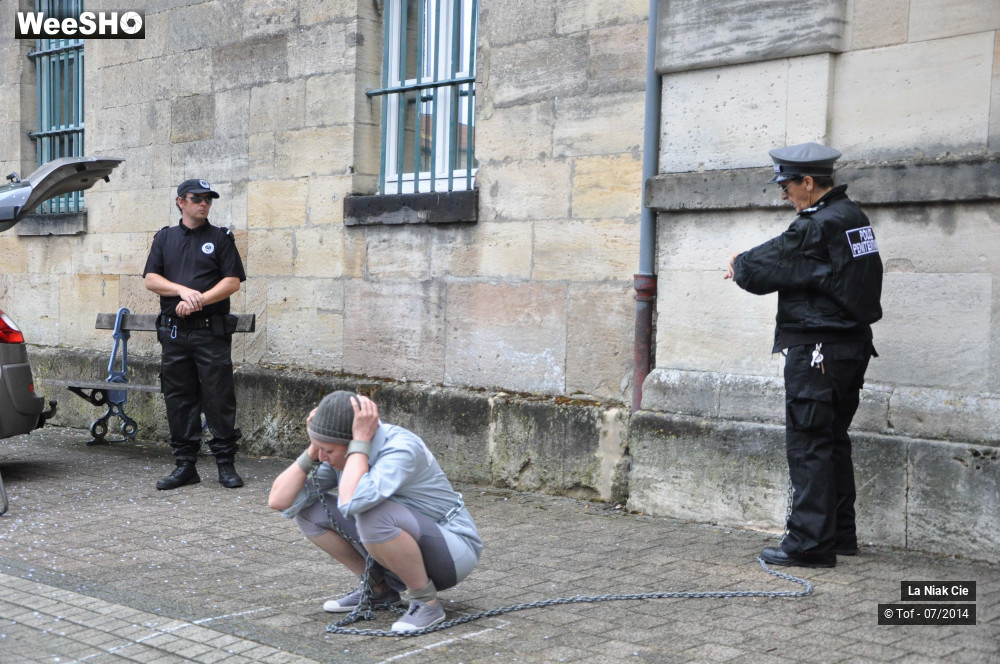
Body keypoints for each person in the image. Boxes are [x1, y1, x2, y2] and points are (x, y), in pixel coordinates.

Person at [724, 142, 883, 568]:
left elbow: (762, 268)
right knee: (832, 439)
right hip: (852, 348)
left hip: (818, 349)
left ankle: (809, 545)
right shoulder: (853, 217)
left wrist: (739, 264)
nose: (783, 195)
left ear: (808, 182)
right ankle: (839, 534)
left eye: (786, 185)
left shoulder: (814, 226)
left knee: (810, 442)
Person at [268, 391, 482, 632]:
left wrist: (359, 444)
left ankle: (426, 602)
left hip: (452, 553)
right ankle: (379, 589)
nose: (321, 457)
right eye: (318, 449)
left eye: (327, 450)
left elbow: (353, 503)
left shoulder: (401, 447)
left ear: (353, 443)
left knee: (371, 513)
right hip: (407, 540)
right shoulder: (340, 451)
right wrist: (314, 446)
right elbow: (280, 500)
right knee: (308, 511)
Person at [143, 179, 247, 490]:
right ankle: (185, 465)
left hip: (209, 332)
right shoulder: (165, 238)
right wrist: (183, 292)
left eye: (208, 199)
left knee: (218, 398)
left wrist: (198, 299)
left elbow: (232, 282)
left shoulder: (220, 238)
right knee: (179, 398)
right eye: (196, 198)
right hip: (175, 334)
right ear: (181, 202)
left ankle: (225, 464)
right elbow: (151, 279)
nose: (203, 203)